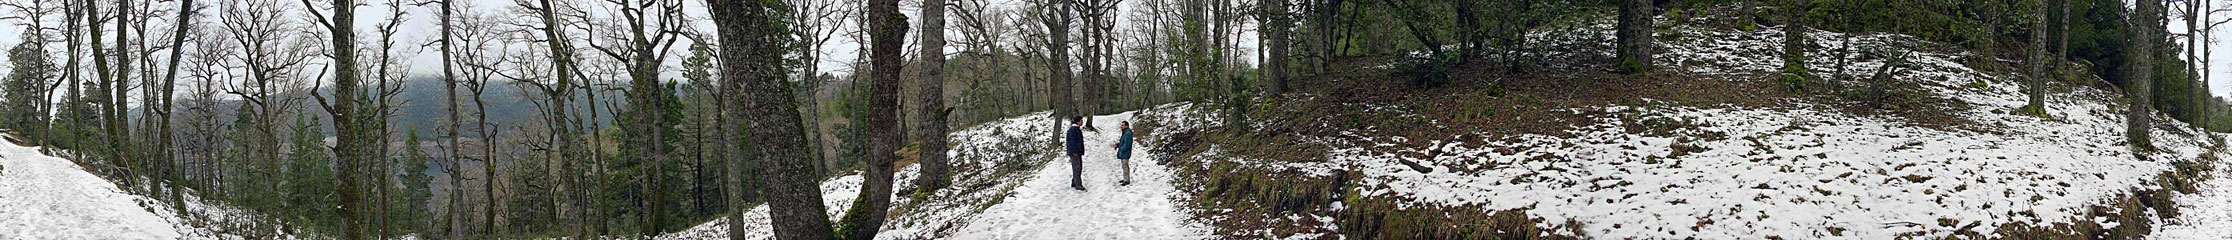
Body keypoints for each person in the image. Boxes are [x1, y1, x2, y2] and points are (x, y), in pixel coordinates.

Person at [1066, 116, 1087, 191]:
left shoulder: (1076, 129)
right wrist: (1074, 151)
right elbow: (1071, 142)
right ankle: (1078, 184)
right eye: (1081, 121)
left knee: (1078, 167)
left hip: (1077, 152)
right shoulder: (1073, 130)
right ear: (1077, 121)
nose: (1082, 122)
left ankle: (1074, 182)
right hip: (1075, 152)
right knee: (1077, 168)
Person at [1111, 121, 1135, 186]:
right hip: (1124, 153)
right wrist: (1118, 145)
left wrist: (1121, 149)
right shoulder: (1125, 132)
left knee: (1125, 166)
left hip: (1125, 153)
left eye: (1123, 125)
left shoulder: (1128, 134)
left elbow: (1127, 144)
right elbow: (1122, 142)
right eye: (1121, 125)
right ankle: (1125, 178)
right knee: (1124, 166)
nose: (1121, 126)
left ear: (1127, 126)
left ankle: (1127, 180)